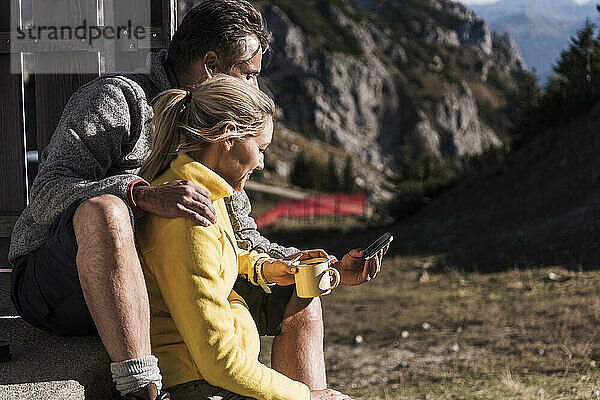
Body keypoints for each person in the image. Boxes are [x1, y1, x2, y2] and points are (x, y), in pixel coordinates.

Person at [8, 1, 386, 399]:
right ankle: (141, 387)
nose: (254, 88)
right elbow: (48, 192)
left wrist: (317, 268)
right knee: (106, 210)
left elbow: (240, 238)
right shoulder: (118, 101)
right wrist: (141, 194)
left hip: (158, 287)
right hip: (60, 284)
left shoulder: (214, 137)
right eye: (249, 75)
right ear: (210, 64)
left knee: (301, 291)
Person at [137, 73, 352, 400]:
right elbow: (221, 363)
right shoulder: (188, 220)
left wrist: (263, 268)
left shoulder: (203, 191)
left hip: (210, 378)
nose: (262, 163)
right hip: (198, 386)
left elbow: (221, 253)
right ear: (229, 136)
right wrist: (306, 397)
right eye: (261, 148)